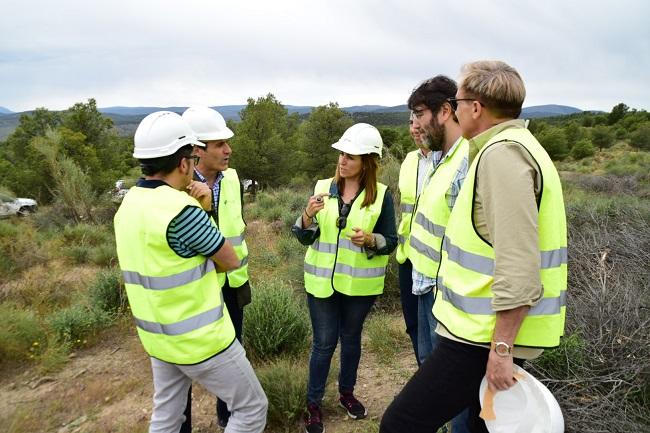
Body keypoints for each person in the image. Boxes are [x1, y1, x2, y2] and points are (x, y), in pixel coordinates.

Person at [380, 61, 568, 433]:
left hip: (479, 337)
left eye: (460, 101)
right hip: (478, 332)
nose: (457, 108)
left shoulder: (502, 155)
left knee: (400, 423)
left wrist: (500, 349)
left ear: (476, 108)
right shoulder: (504, 148)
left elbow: (518, 264)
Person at [114, 111, 267, 433]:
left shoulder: (129, 204)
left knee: (167, 416)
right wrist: (206, 209)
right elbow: (229, 259)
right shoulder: (183, 209)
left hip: (158, 338)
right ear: (184, 163)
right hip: (201, 339)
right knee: (252, 408)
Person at [292, 123, 397, 433]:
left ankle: (346, 395)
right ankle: (313, 405)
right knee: (323, 344)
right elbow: (303, 237)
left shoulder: (382, 197)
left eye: (351, 156)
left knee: (351, 341)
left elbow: (390, 240)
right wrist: (307, 216)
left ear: (367, 161)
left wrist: (371, 241)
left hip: (359, 287)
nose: (342, 161)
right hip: (322, 283)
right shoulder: (322, 187)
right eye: (341, 154)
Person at [180, 105, 252, 431]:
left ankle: (228, 414)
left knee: (233, 349)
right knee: (184, 362)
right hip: (195, 288)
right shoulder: (176, 188)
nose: (228, 150)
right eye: (220, 144)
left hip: (233, 280)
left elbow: (236, 225)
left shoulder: (233, 178)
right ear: (197, 150)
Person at [406, 75, 467, 366]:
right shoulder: (439, 159)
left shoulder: (465, 162)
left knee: (448, 388)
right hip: (426, 284)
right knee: (429, 372)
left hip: (446, 296)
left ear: (445, 111)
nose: (414, 125)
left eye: (419, 115)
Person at [395, 113, 427, 364]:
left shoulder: (458, 160)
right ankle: (424, 378)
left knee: (437, 333)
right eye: (410, 122)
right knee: (414, 326)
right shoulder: (408, 161)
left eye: (420, 120)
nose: (414, 128)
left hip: (435, 262)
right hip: (407, 258)